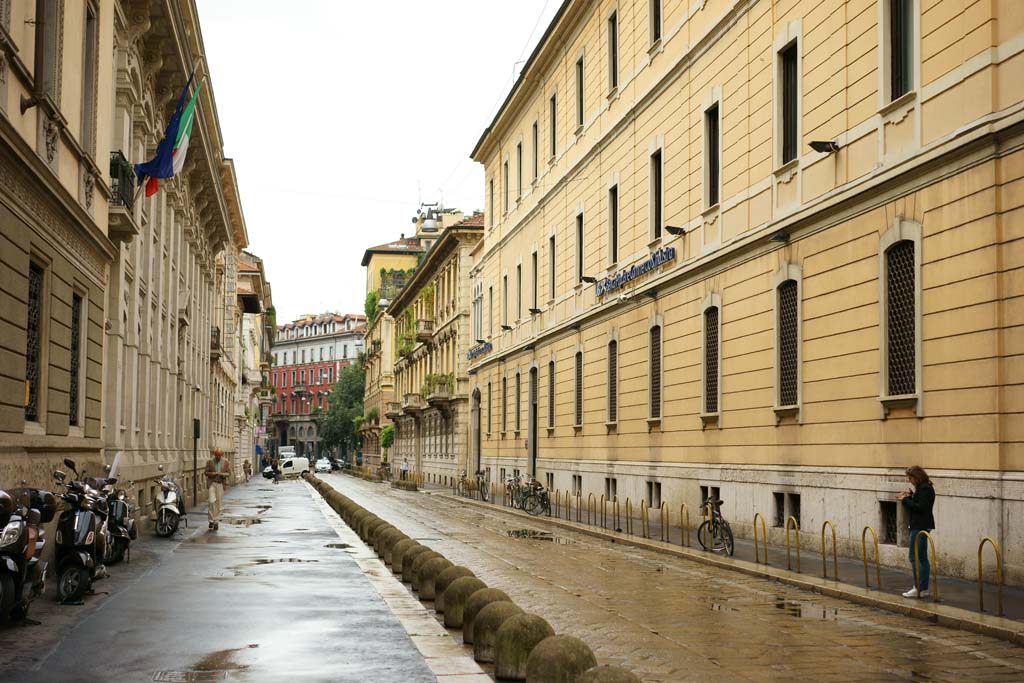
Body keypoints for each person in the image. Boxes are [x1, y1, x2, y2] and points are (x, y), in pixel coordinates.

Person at [897, 465, 935, 598]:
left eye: (910, 478)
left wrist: (906, 500)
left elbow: (920, 508)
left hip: (920, 526)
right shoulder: (924, 488)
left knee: (915, 557)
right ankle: (922, 588)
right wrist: (911, 496)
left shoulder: (925, 488)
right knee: (922, 557)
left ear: (917, 477)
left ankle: (918, 587)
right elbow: (920, 503)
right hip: (921, 525)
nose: (910, 481)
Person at [204, 448, 231, 530]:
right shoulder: (210, 461)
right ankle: (211, 520)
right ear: (215, 455)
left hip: (220, 484)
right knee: (211, 501)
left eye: (219, 456)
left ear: (221, 455)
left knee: (218, 503)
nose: (218, 457)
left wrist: (223, 474)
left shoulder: (225, 462)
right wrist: (212, 473)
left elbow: (229, 473)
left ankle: (216, 521)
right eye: (217, 456)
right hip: (212, 483)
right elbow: (205, 472)